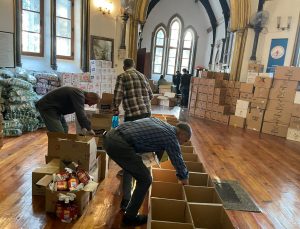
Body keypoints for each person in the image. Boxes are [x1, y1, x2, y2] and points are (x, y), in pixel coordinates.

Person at [103, 117, 191, 226]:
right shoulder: (171, 137)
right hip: (119, 145)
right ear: (182, 134)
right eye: (185, 141)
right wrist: (184, 177)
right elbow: (178, 159)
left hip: (110, 136)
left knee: (131, 167)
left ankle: (126, 202)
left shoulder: (161, 123)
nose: (182, 144)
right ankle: (129, 218)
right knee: (146, 179)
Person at [113, 58, 153, 211]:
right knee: (143, 148)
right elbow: (150, 95)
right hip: (146, 115)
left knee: (130, 151)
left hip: (133, 117)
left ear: (124, 67)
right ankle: (145, 179)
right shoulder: (142, 76)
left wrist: (115, 112)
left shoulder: (122, 77)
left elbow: (117, 98)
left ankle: (127, 198)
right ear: (134, 66)